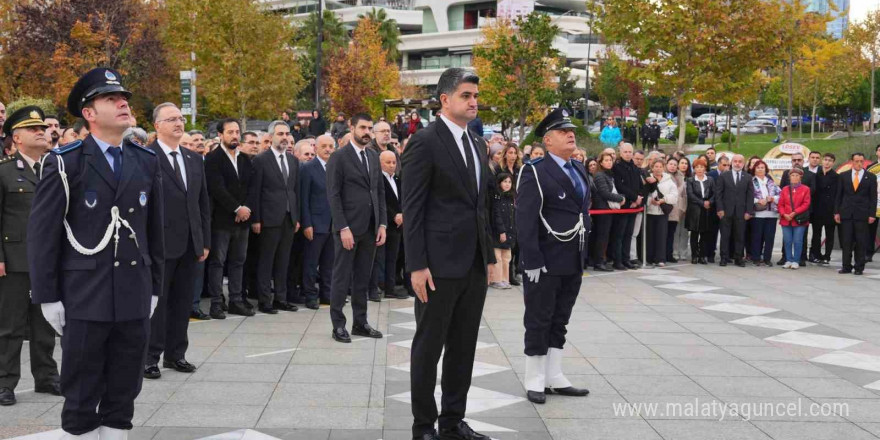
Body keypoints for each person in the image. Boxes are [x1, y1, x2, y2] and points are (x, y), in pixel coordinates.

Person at [28, 67, 164, 438]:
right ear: (88, 113)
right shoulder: (65, 161)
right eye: (110, 99)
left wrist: (154, 286)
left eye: (124, 98)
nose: (123, 103)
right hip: (85, 294)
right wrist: (47, 297)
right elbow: (42, 235)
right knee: (82, 388)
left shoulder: (146, 160)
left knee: (125, 387)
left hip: (133, 292)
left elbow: (154, 232)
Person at [401, 68, 495, 440]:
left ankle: (453, 422)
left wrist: (486, 257)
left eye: (475, 96)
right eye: (466, 96)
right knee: (428, 347)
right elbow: (413, 209)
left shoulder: (477, 143)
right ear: (445, 99)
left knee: (464, 347)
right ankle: (424, 426)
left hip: (472, 263)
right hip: (437, 265)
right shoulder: (425, 142)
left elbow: (479, 206)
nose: (474, 102)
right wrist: (417, 265)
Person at [516, 106, 591, 405]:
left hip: (572, 257)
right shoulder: (534, 170)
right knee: (539, 318)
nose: (571, 135)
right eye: (563, 131)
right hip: (545, 260)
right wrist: (531, 259)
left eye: (571, 131)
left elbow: (582, 211)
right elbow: (525, 218)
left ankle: (554, 375)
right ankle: (535, 378)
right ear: (548, 141)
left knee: (561, 319)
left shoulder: (579, 169)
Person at [142, 102, 210, 381]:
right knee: (158, 304)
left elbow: (202, 203)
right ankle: (150, 357)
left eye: (180, 119)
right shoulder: (146, 157)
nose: (178, 123)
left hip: (190, 244)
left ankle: (176, 354)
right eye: (171, 119)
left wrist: (203, 240)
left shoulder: (193, 159)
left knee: (182, 303)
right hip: (159, 244)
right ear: (157, 126)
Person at [0, 107, 61, 406]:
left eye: (42, 127)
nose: (42, 131)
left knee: (45, 324)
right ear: (17, 138)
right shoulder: (4, 171)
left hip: (48, 261)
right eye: (32, 128)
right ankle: (5, 382)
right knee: (10, 326)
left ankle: (46, 377)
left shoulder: (54, 169)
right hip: (14, 259)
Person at [326, 113, 386, 343]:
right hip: (348, 229)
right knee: (341, 277)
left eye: (370, 128)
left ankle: (360, 323)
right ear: (352, 128)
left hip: (370, 228)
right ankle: (338, 325)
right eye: (362, 127)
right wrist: (343, 227)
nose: (367, 132)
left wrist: (382, 223)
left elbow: (378, 191)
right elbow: (333, 195)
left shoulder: (373, 155)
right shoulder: (339, 157)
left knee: (363, 278)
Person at [248, 120, 300, 314]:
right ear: (270, 138)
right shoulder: (261, 160)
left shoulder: (293, 159)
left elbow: (295, 191)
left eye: (287, 134)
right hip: (268, 219)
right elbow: (256, 192)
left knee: (283, 261)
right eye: (280, 134)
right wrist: (256, 219)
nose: (285, 137)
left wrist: (296, 217)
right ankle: (264, 300)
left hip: (288, 218)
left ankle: (281, 298)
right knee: (266, 261)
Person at [204, 118, 255, 319]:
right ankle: (217, 303)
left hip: (243, 220)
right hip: (222, 221)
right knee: (218, 262)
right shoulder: (213, 158)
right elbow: (217, 188)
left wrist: (247, 208)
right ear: (220, 134)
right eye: (230, 132)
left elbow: (251, 187)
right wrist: (236, 208)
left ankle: (236, 300)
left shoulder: (244, 159)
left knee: (238, 261)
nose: (235, 135)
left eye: (237, 132)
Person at [300, 134, 335, 310]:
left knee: (329, 264)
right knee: (311, 263)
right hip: (315, 223)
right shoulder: (308, 168)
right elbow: (303, 198)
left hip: (333, 224)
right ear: (316, 148)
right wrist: (307, 223)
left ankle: (327, 295)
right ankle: (310, 295)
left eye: (331, 146)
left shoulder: (335, 167)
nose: (328, 149)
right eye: (324, 146)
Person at [835, 152, 878, 275]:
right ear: (852, 162)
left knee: (861, 241)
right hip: (846, 213)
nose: (859, 163)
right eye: (856, 161)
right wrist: (836, 212)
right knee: (846, 241)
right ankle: (846, 266)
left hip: (862, 215)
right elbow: (839, 195)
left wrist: (872, 214)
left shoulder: (870, 177)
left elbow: (873, 197)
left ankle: (859, 267)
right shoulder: (843, 176)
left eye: (861, 161)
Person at [776, 153, 815, 266]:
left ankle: (797, 260)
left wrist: (794, 213)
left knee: (798, 241)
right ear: (789, 177)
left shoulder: (805, 189)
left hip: (799, 218)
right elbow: (780, 204)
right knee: (787, 241)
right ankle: (788, 259)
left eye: (797, 176)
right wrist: (784, 214)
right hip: (786, 219)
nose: (795, 177)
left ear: (800, 177)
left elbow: (806, 203)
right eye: (792, 175)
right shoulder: (784, 189)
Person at [715, 154, 754, 267]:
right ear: (732, 162)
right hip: (726, 211)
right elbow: (719, 194)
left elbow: (750, 196)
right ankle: (724, 257)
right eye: (735, 161)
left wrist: (748, 211)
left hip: (741, 213)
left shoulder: (747, 177)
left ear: (743, 163)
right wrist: (720, 209)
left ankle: (738, 258)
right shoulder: (724, 176)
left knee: (740, 236)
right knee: (725, 236)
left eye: (740, 161)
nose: (737, 163)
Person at [379, 150, 407, 299]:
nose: (391, 165)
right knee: (380, 258)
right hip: (384, 224)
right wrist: (393, 215)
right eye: (388, 162)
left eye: (394, 162)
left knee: (392, 257)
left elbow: (401, 198)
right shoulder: (378, 180)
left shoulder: (397, 179)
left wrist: (402, 213)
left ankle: (390, 288)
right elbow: (381, 201)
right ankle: (378, 285)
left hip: (397, 225)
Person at [591, 151, 624, 271]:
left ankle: (602, 259)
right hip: (602, 209)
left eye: (610, 160)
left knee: (606, 236)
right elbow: (604, 193)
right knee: (602, 236)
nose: (609, 162)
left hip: (607, 209)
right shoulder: (600, 175)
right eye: (606, 160)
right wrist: (621, 198)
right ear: (600, 162)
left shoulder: (608, 174)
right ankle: (598, 262)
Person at [612, 143, 643, 269]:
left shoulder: (635, 167)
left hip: (634, 205)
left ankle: (626, 259)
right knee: (619, 234)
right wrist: (633, 198)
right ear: (620, 152)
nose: (628, 154)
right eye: (625, 152)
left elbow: (639, 185)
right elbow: (619, 186)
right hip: (624, 205)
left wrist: (639, 198)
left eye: (630, 152)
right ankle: (617, 260)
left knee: (629, 234)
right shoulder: (617, 167)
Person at [644, 158, 678, 267]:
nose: (658, 169)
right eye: (656, 166)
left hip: (662, 213)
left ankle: (660, 258)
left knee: (662, 236)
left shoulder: (669, 180)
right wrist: (651, 201)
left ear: (663, 168)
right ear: (652, 167)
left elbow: (674, 195)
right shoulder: (647, 179)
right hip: (649, 212)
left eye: (660, 167)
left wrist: (664, 200)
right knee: (649, 236)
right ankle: (649, 258)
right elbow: (644, 194)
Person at [749, 160, 780, 266]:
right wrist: (758, 200)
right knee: (757, 237)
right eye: (758, 167)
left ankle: (767, 258)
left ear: (766, 169)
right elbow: (747, 197)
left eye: (762, 167)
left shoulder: (771, 182)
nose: (760, 169)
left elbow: (780, 195)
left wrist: (773, 198)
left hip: (771, 213)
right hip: (758, 213)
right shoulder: (751, 181)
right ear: (754, 169)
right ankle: (756, 257)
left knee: (769, 237)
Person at [685, 158, 716, 264]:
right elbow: (690, 194)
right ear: (694, 169)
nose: (699, 169)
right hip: (695, 210)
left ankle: (702, 255)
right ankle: (694, 255)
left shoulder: (710, 180)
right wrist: (702, 203)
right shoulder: (690, 180)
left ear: (705, 168)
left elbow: (715, 193)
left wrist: (709, 202)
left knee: (705, 234)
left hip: (707, 210)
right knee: (694, 233)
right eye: (697, 167)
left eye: (702, 167)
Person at [810, 153, 839, 264]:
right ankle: (816, 255)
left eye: (830, 160)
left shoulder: (836, 177)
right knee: (816, 234)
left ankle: (827, 256)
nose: (827, 162)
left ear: (833, 163)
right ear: (822, 161)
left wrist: (836, 211)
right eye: (825, 160)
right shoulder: (816, 175)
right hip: (817, 209)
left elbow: (837, 195)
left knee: (829, 234)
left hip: (830, 210)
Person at [491, 172, 515, 289]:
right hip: (498, 232)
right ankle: (496, 279)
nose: (507, 184)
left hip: (509, 232)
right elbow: (497, 216)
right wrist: (501, 231)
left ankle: (505, 279)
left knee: (507, 257)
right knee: (498, 257)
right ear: (499, 183)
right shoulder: (497, 197)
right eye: (505, 181)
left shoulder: (510, 197)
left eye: (509, 182)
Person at [665, 157, 686, 263]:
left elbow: (684, 194)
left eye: (674, 164)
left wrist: (683, 208)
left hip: (677, 208)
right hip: (666, 208)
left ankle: (669, 254)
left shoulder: (681, 176)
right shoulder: (664, 176)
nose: (672, 166)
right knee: (664, 233)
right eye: (670, 164)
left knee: (671, 233)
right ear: (667, 164)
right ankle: (662, 254)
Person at [672, 157, 691, 261]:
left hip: (687, 207)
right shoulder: (674, 177)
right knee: (675, 231)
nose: (684, 165)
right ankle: (674, 252)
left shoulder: (690, 178)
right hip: (675, 207)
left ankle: (683, 252)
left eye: (686, 163)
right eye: (682, 163)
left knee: (684, 232)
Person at [867, 144, 880, 262]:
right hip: (874, 204)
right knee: (870, 231)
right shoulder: (871, 167)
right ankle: (868, 253)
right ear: (876, 152)